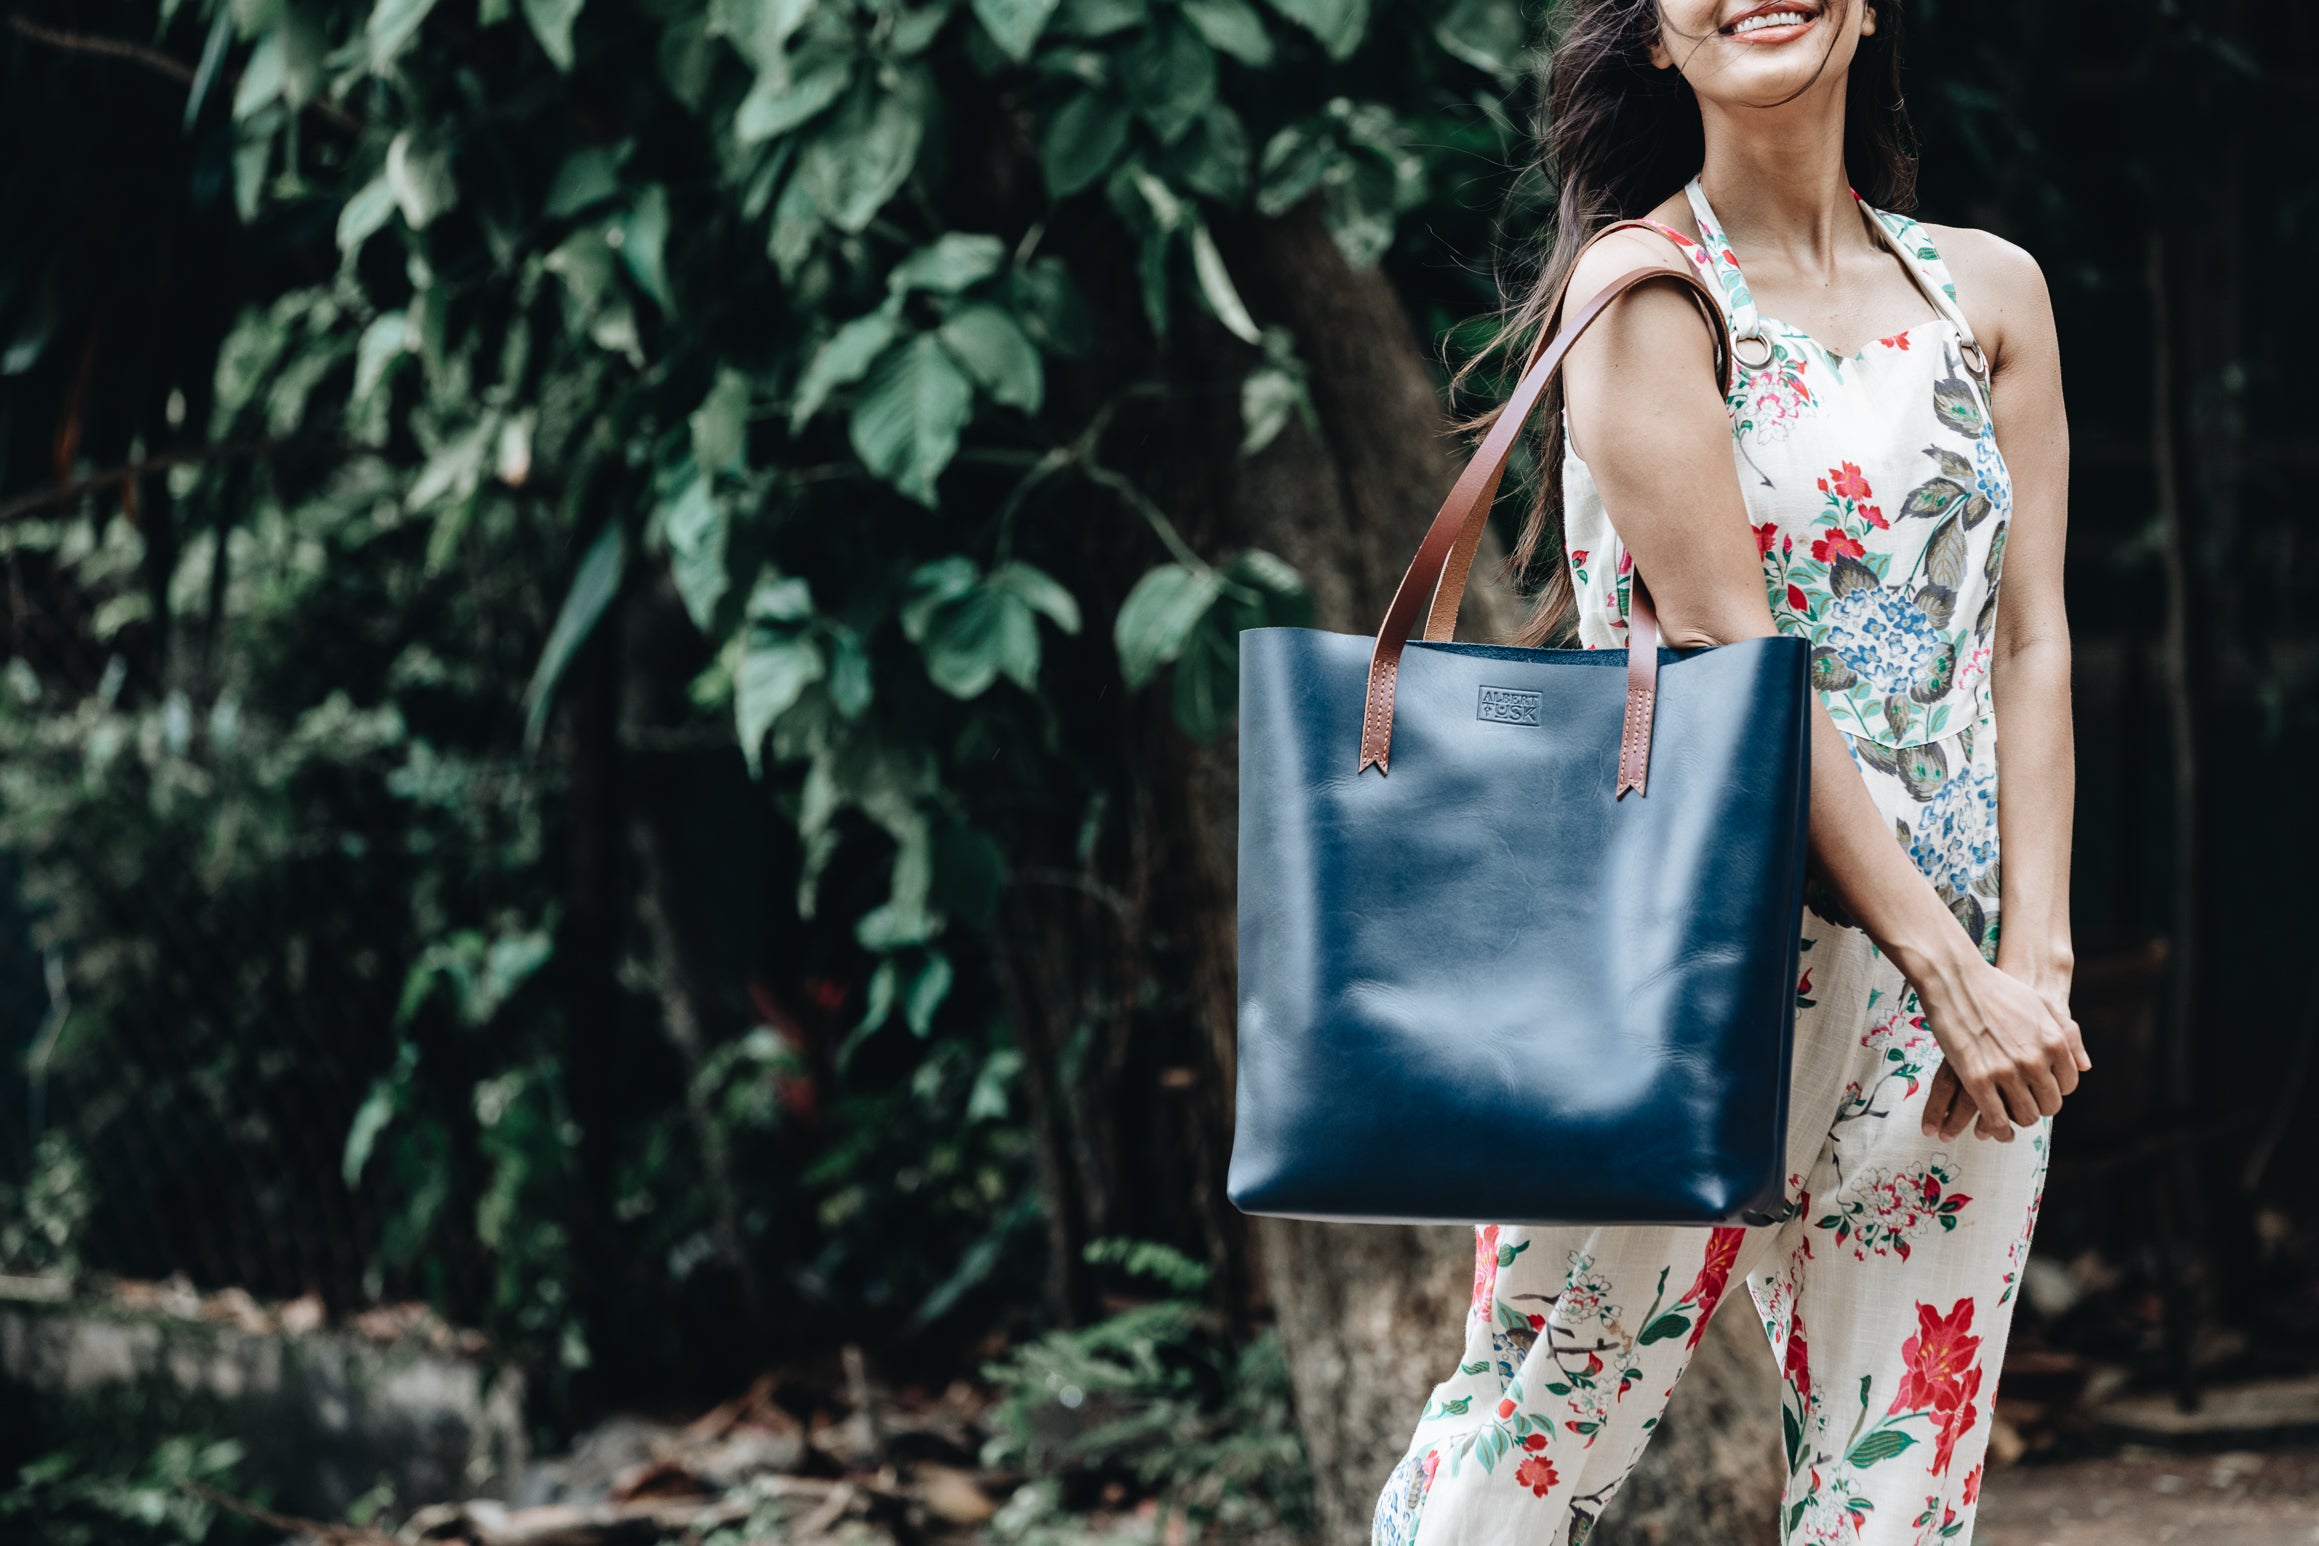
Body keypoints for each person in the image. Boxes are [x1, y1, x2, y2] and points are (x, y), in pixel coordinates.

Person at [1368, 2, 2086, 1541]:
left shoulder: (1992, 295)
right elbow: (1730, 655)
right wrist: (1954, 960)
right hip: (1670, 978)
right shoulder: (1643, 294)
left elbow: (2031, 641)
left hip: (1951, 1010)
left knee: (1901, 1499)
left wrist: (2032, 958)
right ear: (1654, 41)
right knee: (1526, 1446)